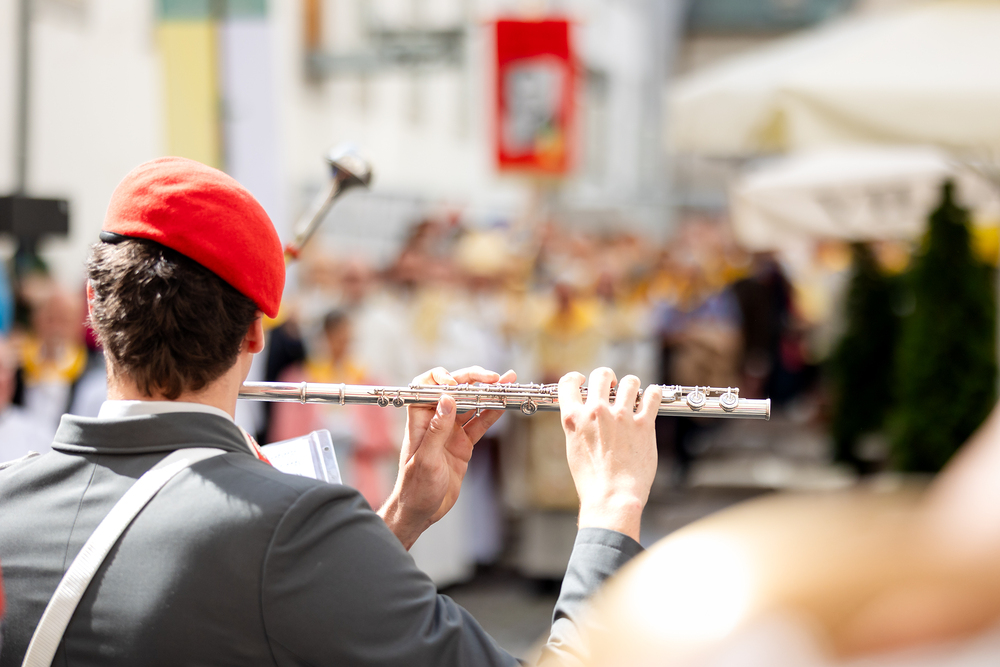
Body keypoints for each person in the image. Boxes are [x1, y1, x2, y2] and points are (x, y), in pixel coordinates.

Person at [0, 157, 663, 666]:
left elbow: (272, 608)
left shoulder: (9, 498)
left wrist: (400, 517)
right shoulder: (294, 528)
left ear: (96, 310)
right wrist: (613, 503)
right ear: (254, 334)